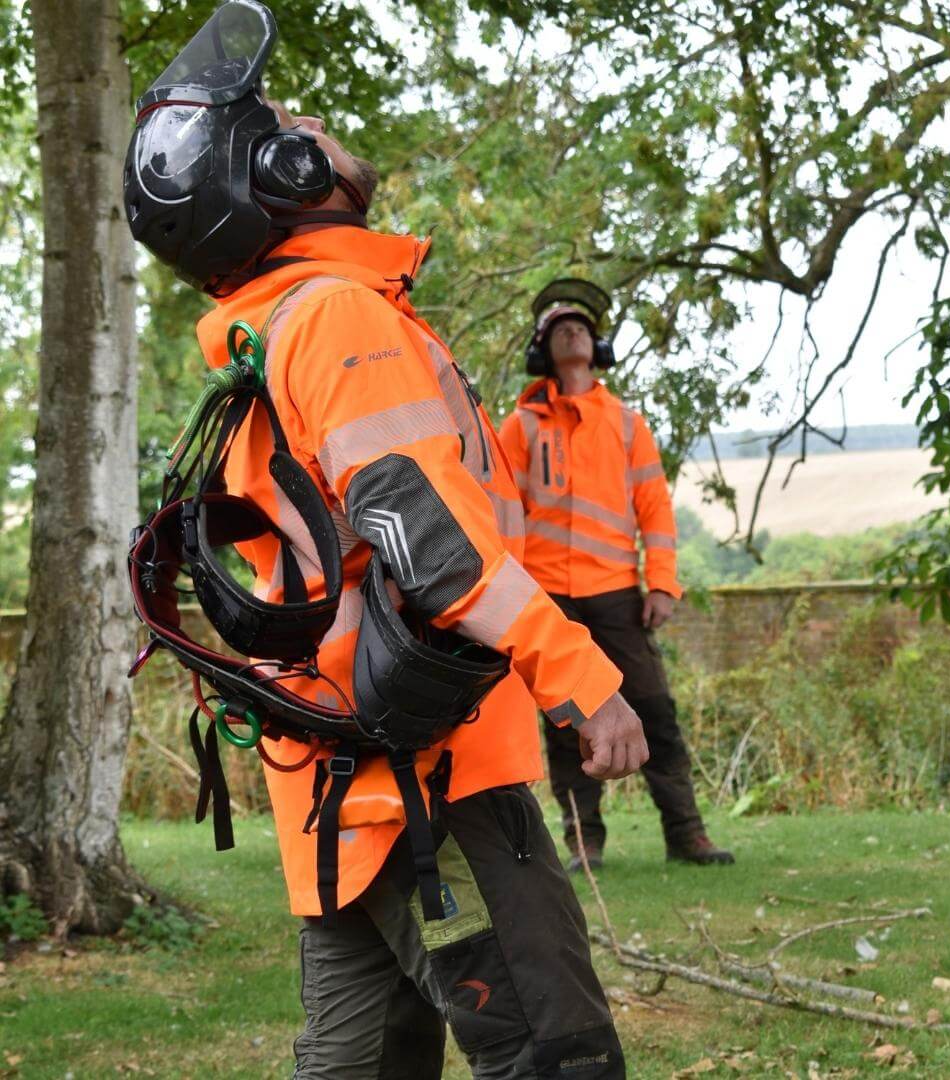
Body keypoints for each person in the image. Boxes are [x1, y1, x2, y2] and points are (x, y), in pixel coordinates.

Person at [124, 5, 647, 1076]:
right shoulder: (338, 319)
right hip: (437, 782)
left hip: (341, 794)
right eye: (283, 118)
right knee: (558, 1056)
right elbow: (432, 542)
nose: (308, 117)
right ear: (271, 171)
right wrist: (582, 677)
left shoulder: (279, 332)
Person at [499, 279, 734, 872]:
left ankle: (687, 835)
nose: (571, 332)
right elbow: (499, 511)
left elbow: (654, 509)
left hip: (617, 592)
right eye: (558, 329)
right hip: (548, 596)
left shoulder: (628, 425)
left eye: (579, 326)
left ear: (597, 344)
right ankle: (584, 842)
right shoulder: (519, 427)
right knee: (564, 722)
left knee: (654, 710)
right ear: (542, 350)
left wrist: (662, 582)